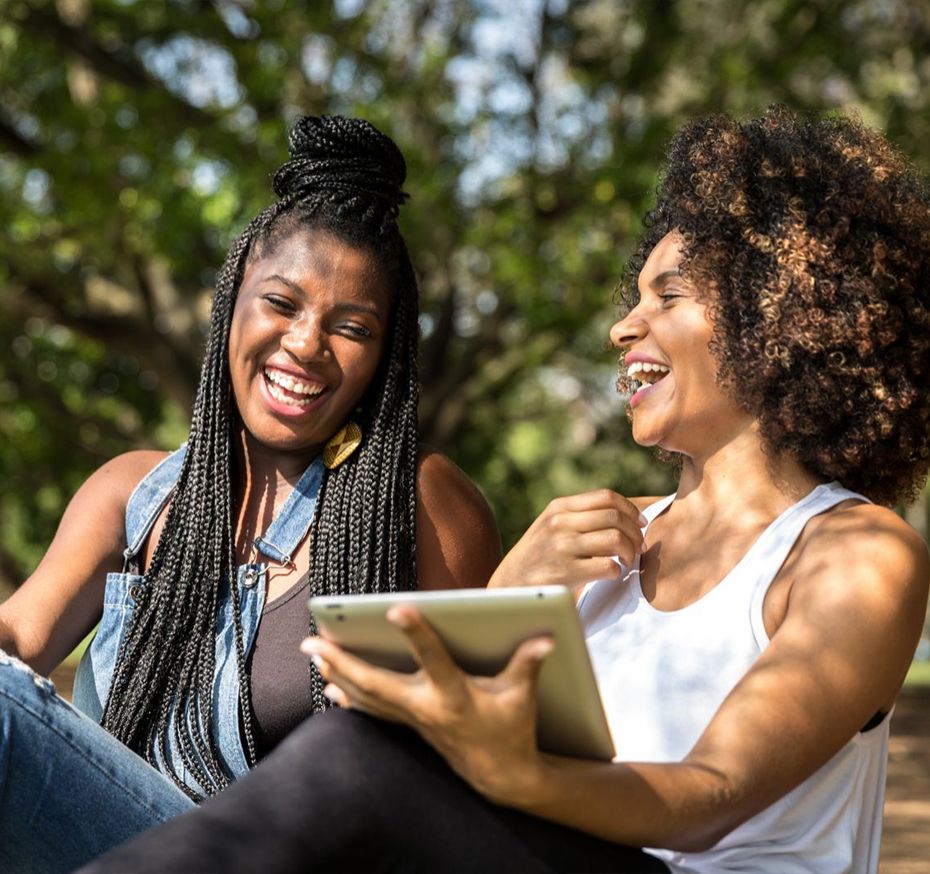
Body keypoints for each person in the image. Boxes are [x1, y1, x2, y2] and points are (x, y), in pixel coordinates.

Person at [80, 106, 930, 874]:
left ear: (780, 318)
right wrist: (515, 583)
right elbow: (452, 757)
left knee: (353, 762)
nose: (622, 326)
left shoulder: (857, 553)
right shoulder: (604, 537)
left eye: (668, 295)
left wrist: (512, 770)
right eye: (633, 296)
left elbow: (708, 795)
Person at [0, 116, 501, 873]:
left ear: (384, 359)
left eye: (353, 326)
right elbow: (18, 638)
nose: (306, 344)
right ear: (232, 302)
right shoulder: (134, 495)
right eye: (282, 303)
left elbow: (471, 763)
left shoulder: (422, 505)